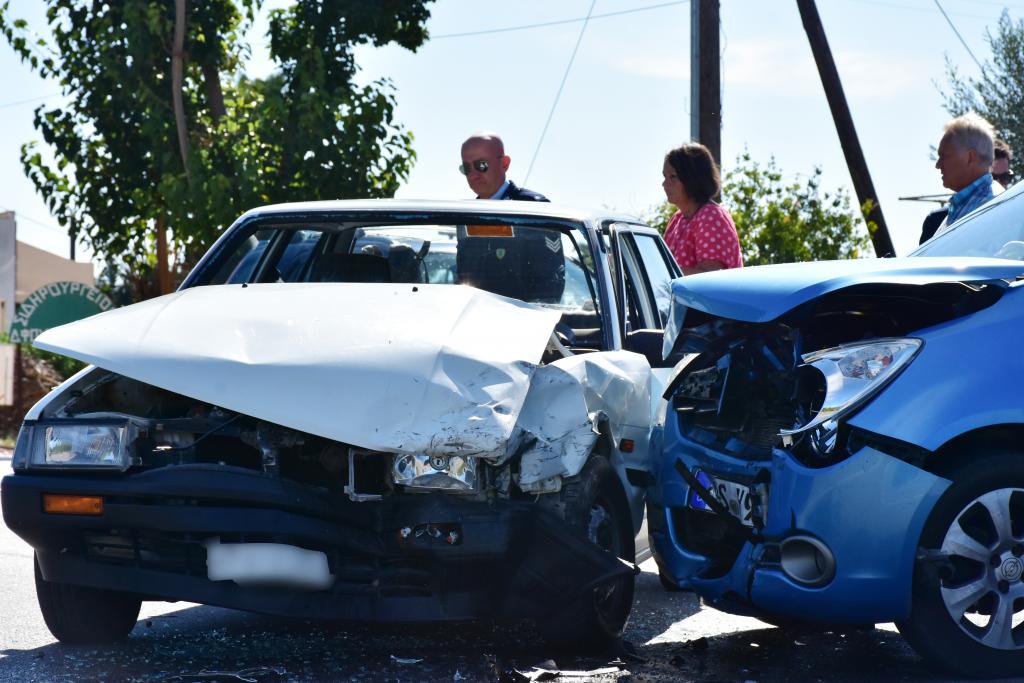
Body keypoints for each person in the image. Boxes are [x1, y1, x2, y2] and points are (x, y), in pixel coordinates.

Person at [661, 142, 742, 274]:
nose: (664, 184)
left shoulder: (711, 217)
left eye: (673, 177)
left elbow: (710, 277)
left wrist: (663, 275)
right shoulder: (678, 219)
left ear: (692, 179)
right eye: (665, 176)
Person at [920, 113, 996, 244]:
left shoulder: (989, 210)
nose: (938, 165)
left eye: (944, 156)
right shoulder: (969, 206)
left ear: (970, 157)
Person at [459, 132, 548, 201]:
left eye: (481, 165)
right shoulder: (463, 217)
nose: (472, 175)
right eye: (466, 168)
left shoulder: (533, 208)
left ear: (504, 164)